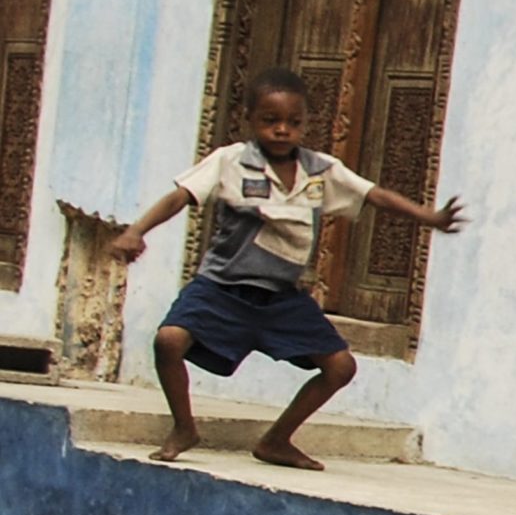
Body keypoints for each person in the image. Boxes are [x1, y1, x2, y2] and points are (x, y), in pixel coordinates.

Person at [107, 66, 466, 471]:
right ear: (250, 120)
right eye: (270, 121)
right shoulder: (230, 161)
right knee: (169, 341)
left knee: (340, 367)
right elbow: (180, 197)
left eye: (293, 122)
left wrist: (428, 217)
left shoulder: (320, 170)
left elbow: (374, 195)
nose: (282, 130)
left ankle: (278, 439)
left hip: (282, 298)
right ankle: (184, 427)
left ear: (305, 124)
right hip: (223, 287)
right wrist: (137, 231)